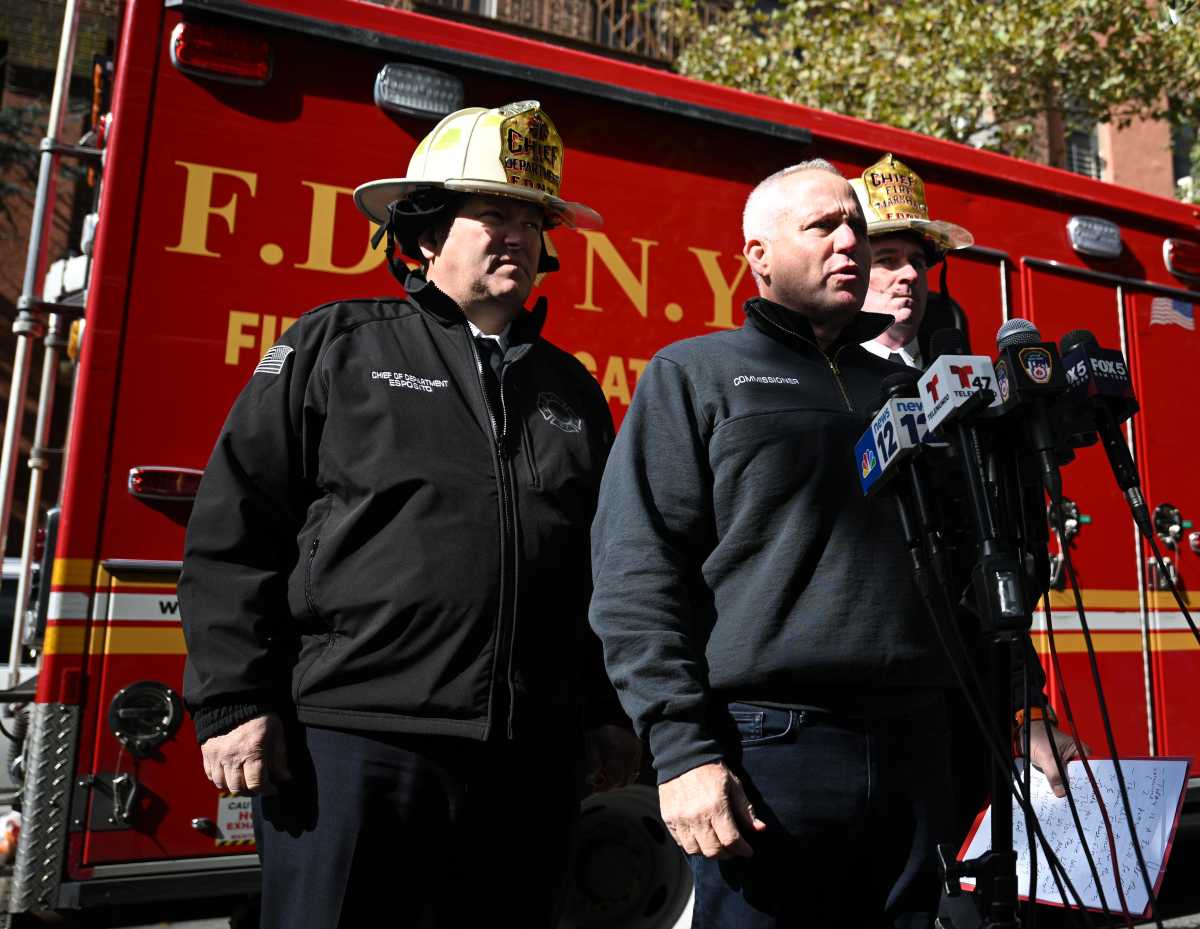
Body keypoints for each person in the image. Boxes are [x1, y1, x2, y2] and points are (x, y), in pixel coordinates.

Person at [179, 100, 639, 929]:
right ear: (425, 234)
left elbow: (596, 571)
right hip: (354, 743)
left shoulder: (570, 390)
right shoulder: (338, 345)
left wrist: (604, 711)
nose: (518, 236)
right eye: (494, 215)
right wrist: (234, 701)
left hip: (526, 760)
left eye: (532, 222)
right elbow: (235, 527)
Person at [588, 159, 1077, 929]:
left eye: (855, 225)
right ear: (758, 255)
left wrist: (1025, 708)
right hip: (770, 748)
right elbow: (636, 571)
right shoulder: (697, 374)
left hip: (918, 747)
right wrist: (681, 751)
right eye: (823, 225)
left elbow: (970, 577)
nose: (850, 240)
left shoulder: (912, 394)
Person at [850, 153, 974, 369]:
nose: (911, 274)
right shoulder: (829, 371)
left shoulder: (955, 372)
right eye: (888, 260)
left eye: (917, 262)